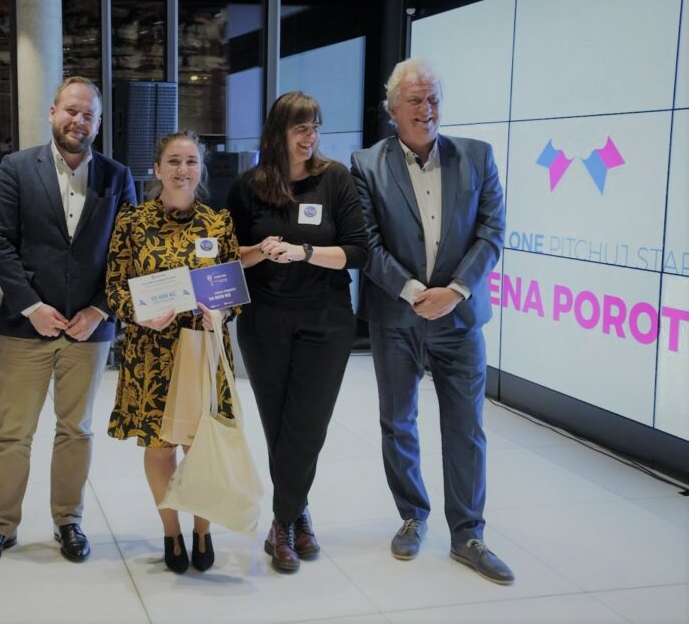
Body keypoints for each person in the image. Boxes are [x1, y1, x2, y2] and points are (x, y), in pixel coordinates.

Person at [350, 58, 513, 584]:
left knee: (465, 427)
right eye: (416, 101)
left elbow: (492, 231)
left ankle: (468, 533)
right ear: (392, 109)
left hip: (461, 320)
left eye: (434, 98)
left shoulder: (478, 157)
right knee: (398, 422)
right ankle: (411, 516)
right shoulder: (366, 164)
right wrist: (417, 292)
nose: (427, 109)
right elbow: (366, 243)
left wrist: (456, 291)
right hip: (396, 316)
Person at [0, 76, 136, 568]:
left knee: (76, 430)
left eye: (88, 114)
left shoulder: (116, 175)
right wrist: (31, 306)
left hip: (89, 330)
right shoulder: (16, 169)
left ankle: (69, 520)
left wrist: (101, 309)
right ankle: (1, 526)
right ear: (52, 112)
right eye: (70, 110)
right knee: (12, 433)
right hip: (27, 328)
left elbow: (126, 252)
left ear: (99, 123)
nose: (78, 120)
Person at [226, 92, 368, 573]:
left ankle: (283, 521)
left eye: (316, 127)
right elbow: (229, 255)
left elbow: (357, 251)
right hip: (264, 320)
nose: (311, 137)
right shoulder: (248, 186)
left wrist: (305, 253)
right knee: (279, 423)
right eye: (301, 128)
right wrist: (262, 251)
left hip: (326, 318)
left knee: (307, 425)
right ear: (278, 133)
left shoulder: (336, 180)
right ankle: (297, 517)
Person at [105, 131, 241, 574]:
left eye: (192, 162)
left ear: (200, 170)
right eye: (174, 161)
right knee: (161, 447)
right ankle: (171, 530)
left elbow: (232, 289)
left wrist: (221, 314)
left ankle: (203, 528)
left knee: (200, 446)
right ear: (158, 168)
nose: (183, 170)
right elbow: (114, 288)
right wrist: (138, 315)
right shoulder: (132, 223)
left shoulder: (218, 223)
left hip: (203, 349)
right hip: (151, 354)